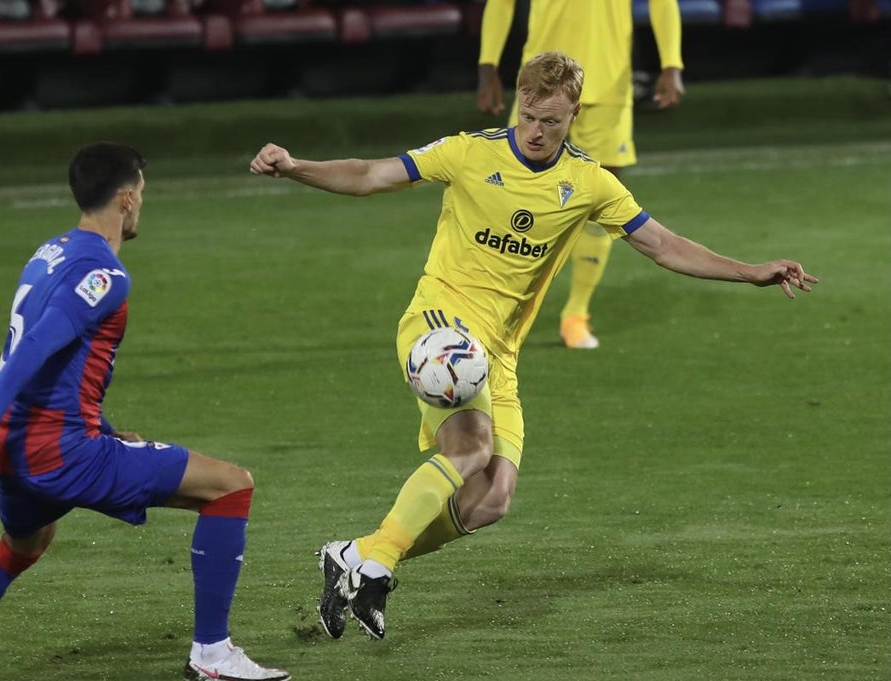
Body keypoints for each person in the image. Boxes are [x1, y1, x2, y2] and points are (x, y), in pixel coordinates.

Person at [250, 52, 816, 641]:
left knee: (491, 499)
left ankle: (356, 554)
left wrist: (750, 271)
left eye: (551, 120)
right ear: (518, 103)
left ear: (575, 114)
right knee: (470, 448)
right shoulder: (469, 153)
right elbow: (371, 175)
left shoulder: (589, 183)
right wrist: (295, 167)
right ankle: (378, 568)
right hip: (441, 324)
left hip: (500, 351)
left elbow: (663, 245)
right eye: (528, 116)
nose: (537, 131)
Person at [0, 142, 290, 681]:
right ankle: (213, 655)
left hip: (18, 444)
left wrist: (96, 427)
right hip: (56, 449)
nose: (142, 203)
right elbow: (38, 343)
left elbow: (56, 362)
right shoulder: (105, 273)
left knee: (24, 545)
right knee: (230, 487)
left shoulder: (49, 252)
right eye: (142, 193)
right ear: (126, 199)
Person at [477, 0, 686, 349]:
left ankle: (576, 314)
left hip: (608, 82)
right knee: (509, 198)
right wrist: (488, 67)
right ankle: (493, 310)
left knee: (601, 204)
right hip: (540, 85)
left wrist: (671, 63)